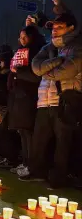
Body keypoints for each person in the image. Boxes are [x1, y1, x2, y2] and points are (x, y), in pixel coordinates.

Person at [26, 12, 82, 189]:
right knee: (39, 140)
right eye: (53, 28)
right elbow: (35, 66)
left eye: (59, 27)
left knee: (63, 142)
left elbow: (69, 69)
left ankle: (59, 178)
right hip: (44, 99)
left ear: (71, 28)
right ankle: (37, 172)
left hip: (65, 99)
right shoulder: (49, 47)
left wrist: (46, 70)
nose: (55, 31)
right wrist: (57, 60)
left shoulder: (77, 46)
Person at [8, 26, 46, 175]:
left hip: (29, 97)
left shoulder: (37, 52)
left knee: (28, 132)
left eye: (25, 37)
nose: (22, 40)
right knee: (22, 132)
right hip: (19, 97)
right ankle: (24, 162)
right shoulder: (21, 52)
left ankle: (31, 166)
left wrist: (18, 72)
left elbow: (36, 76)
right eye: (20, 38)